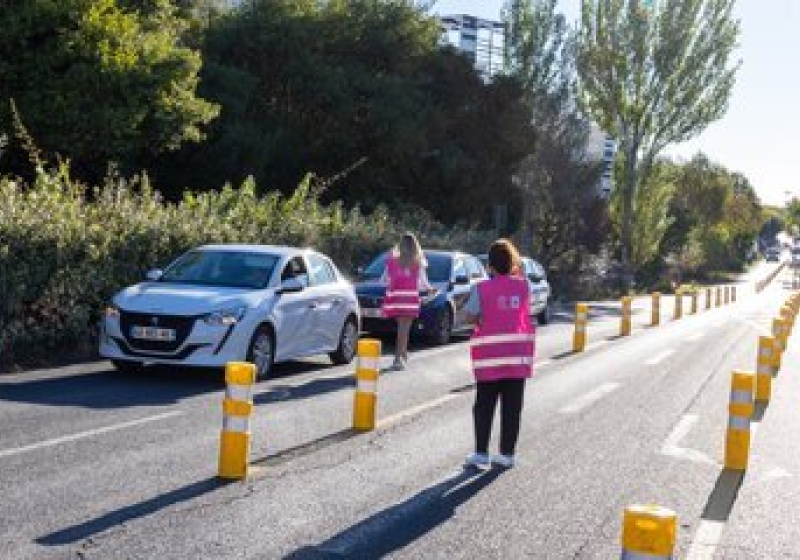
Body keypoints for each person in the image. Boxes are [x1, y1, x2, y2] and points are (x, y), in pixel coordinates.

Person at [463, 239, 534, 469]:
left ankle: (481, 453)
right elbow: (526, 311)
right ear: (513, 262)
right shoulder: (524, 286)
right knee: (512, 408)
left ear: (490, 265)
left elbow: (470, 316)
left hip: (489, 361)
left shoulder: (481, 289)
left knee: (484, 406)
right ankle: (506, 454)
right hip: (517, 358)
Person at [380, 232, 434, 370]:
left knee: (402, 328)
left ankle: (402, 354)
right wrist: (430, 289)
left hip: (396, 298)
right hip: (410, 299)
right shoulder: (418, 261)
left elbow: (384, 280)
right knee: (404, 329)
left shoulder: (393, 260)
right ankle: (398, 358)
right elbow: (423, 282)